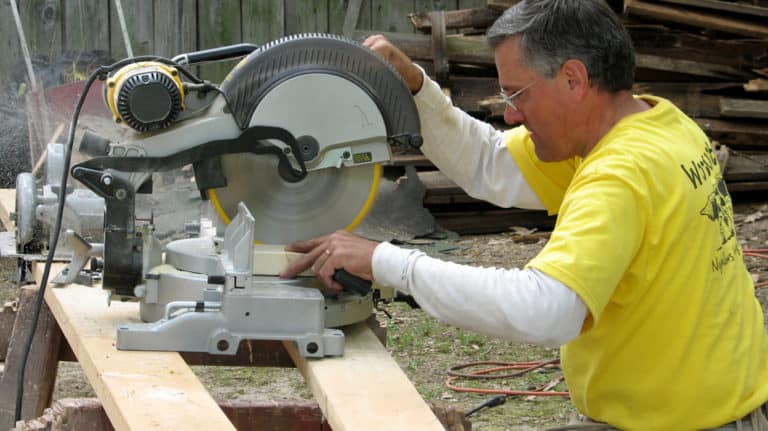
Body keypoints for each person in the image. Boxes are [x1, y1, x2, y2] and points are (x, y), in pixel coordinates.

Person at [280, 1, 768, 429]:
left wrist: (387, 261)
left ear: (573, 79)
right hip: (706, 408)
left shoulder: (623, 173)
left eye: (517, 94)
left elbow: (548, 309)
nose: (510, 114)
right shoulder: (656, 123)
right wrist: (414, 86)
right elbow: (489, 163)